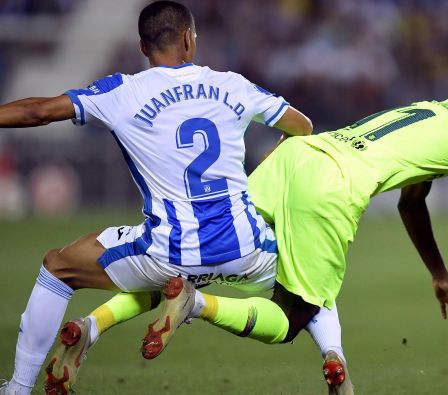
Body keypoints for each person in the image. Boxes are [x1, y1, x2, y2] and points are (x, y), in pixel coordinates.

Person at [137, 75, 448, 369]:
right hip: (331, 184)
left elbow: (411, 204)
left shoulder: (436, 109)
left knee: (208, 249)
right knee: (293, 315)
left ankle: (97, 322)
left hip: (297, 154)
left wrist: (440, 275)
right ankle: (196, 306)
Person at [0, 2, 352, 395]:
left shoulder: (121, 92)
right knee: (310, 274)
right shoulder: (232, 84)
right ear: (189, 38)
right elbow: (303, 127)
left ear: (141, 47)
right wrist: (274, 156)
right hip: (246, 251)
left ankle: (18, 387)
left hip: (169, 255)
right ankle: (332, 352)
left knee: (58, 266)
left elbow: (37, 112)